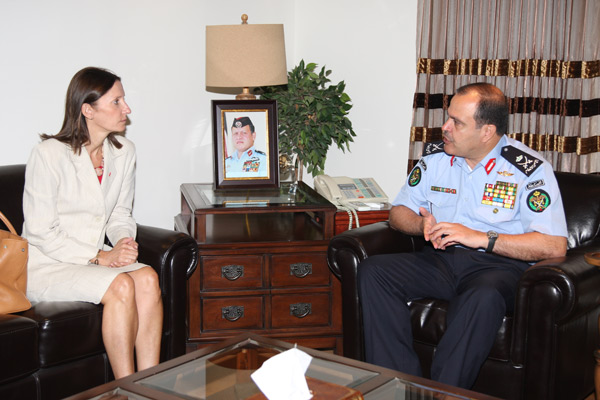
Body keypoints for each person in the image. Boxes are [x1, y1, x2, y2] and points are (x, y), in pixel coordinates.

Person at [358, 82, 568, 389]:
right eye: (448, 117)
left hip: (498, 267)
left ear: (486, 131)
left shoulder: (529, 170)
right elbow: (398, 212)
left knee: (482, 296)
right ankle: (397, 387)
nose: (445, 127)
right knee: (375, 272)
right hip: (442, 259)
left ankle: (443, 393)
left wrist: (482, 238)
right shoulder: (435, 160)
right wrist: (421, 226)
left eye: (457, 122)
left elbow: (553, 245)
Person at [22, 67, 163, 379]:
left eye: (124, 100)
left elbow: (120, 214)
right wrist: (101, 257)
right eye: (116, 102)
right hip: (47, 265)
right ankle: (126, 389)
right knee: (121, 284)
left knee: (148, 278)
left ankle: (151, 385)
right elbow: (40, 231)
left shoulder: (124, 152)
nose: (127, 109)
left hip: (93, 260)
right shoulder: (48, 155)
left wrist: (124, 242)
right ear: (88, 110)